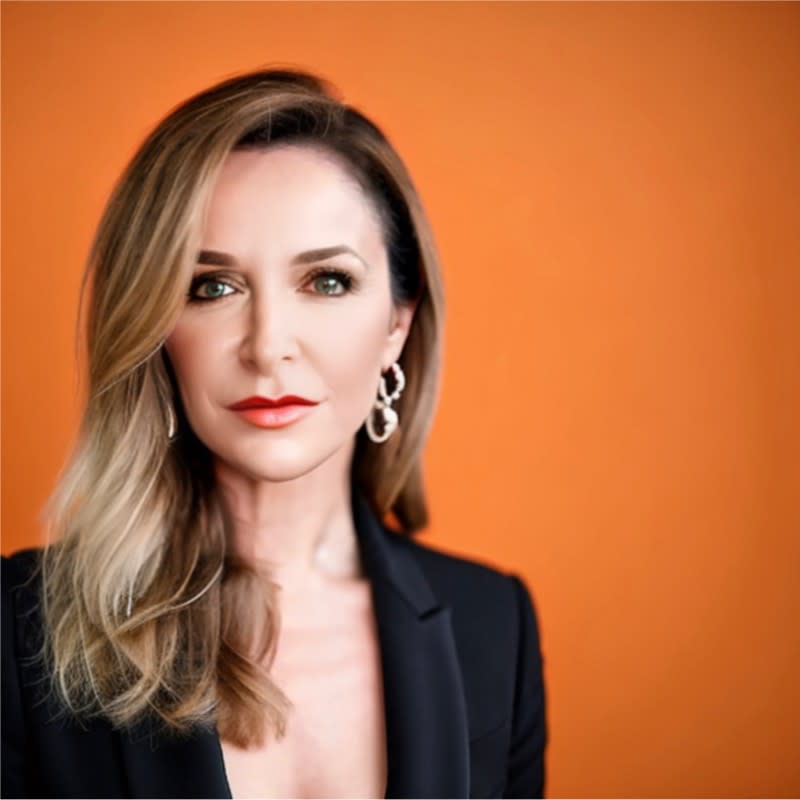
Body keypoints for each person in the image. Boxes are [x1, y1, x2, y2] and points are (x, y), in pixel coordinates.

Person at [1, 67, 547, 799]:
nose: (267, 346)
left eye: (325, 281)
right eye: (212, 287)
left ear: (397, 321)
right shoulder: (17, 631)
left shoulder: (494, 627)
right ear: (154, 330)